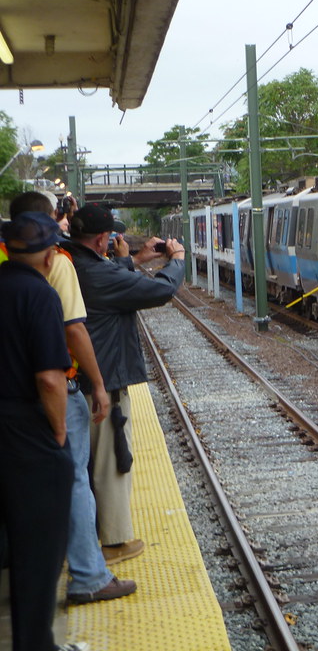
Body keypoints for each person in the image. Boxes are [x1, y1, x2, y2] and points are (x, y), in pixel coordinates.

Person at [9, 192, 136, 604]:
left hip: (8, 395)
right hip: (51, 391)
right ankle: (88, 576)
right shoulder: (56, 268)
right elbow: (74, 331)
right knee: (73, 477)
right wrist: (96, 387)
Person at [64, 204, 186, 564]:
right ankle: (114, 541)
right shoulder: (95, 272)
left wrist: (135, 259)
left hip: (79, 377)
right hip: (103, 378)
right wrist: (175, 260)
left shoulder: (70, 261)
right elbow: (160, 291)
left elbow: (102, 278)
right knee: (111, 459)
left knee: (87, 463)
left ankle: (93, 538)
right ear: (103, 238)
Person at [0, 212, 75, 651]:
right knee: (38, 549)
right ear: (50, 255)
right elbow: (50, 378)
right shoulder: (39, 295)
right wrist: (59, 433)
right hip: (24, 428)